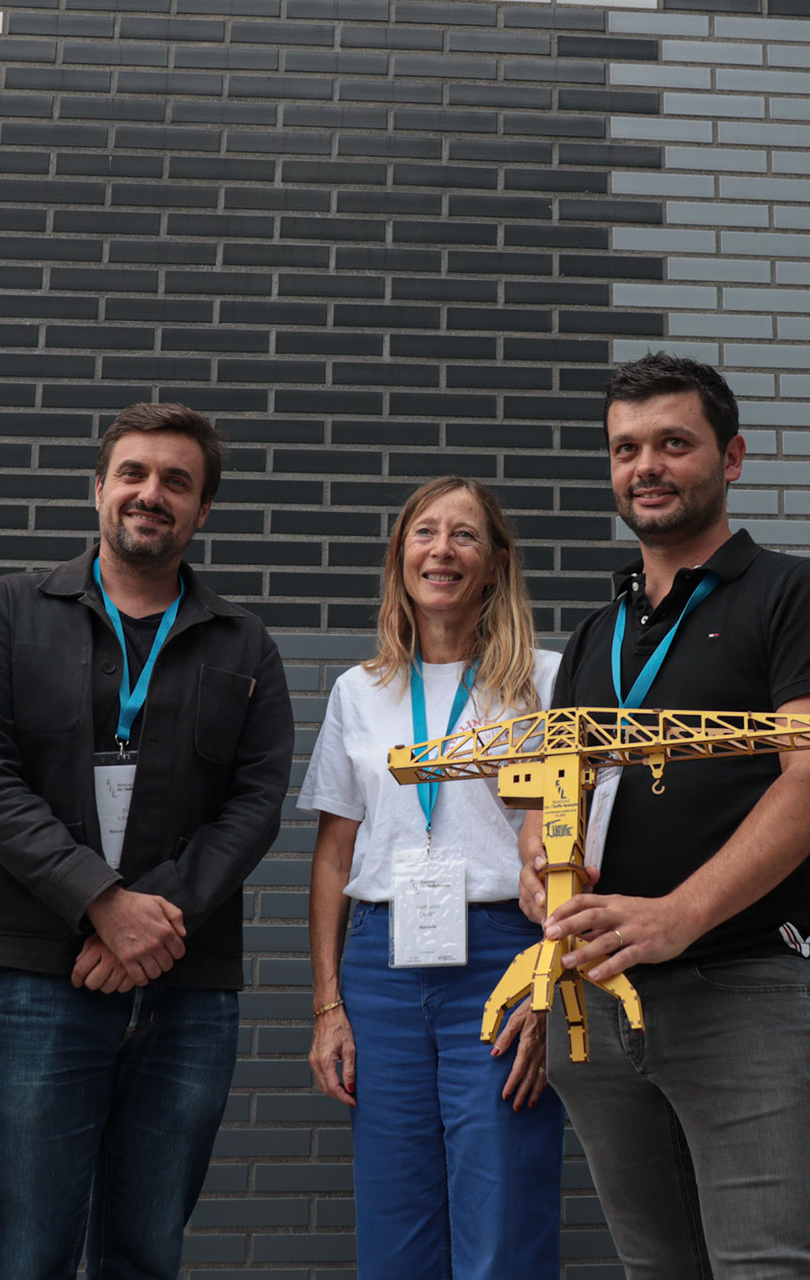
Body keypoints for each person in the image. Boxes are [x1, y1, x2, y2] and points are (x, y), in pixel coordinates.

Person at [520, 353, 810, 1278]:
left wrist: (676, 916)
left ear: (733, 457)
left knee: (765, 1268)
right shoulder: (599, 631)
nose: (647, 466)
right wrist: (539, 858)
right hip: (598, 996)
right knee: (657, 1270)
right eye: (625, 448)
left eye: (674, 444)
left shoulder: (797, 596)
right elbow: (561, 789)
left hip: (750, 988)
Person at [0, 402, 293, 1279]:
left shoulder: (244, 641)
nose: (151, 494)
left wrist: (155, 919)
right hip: (34, 977)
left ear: (202, 510)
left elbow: (256, 802)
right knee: (29, 1253)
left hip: (187, 985)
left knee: (147, 1252)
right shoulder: (8, 611)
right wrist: (102, 903)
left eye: (177, 481)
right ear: (99, 490)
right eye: (133, 474)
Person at [300, 477, 565, 1279]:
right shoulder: (360, 690)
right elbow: (333, 859)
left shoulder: (546, 682)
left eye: (464, 536)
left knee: (504, 1209)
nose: (441, 551)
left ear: (495, 565)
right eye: (424, 533)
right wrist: (327, 1005)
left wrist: (553, 983)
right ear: (399, 557)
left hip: (502, 958)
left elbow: (573, 843)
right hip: (381, 969)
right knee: (394, 1212)